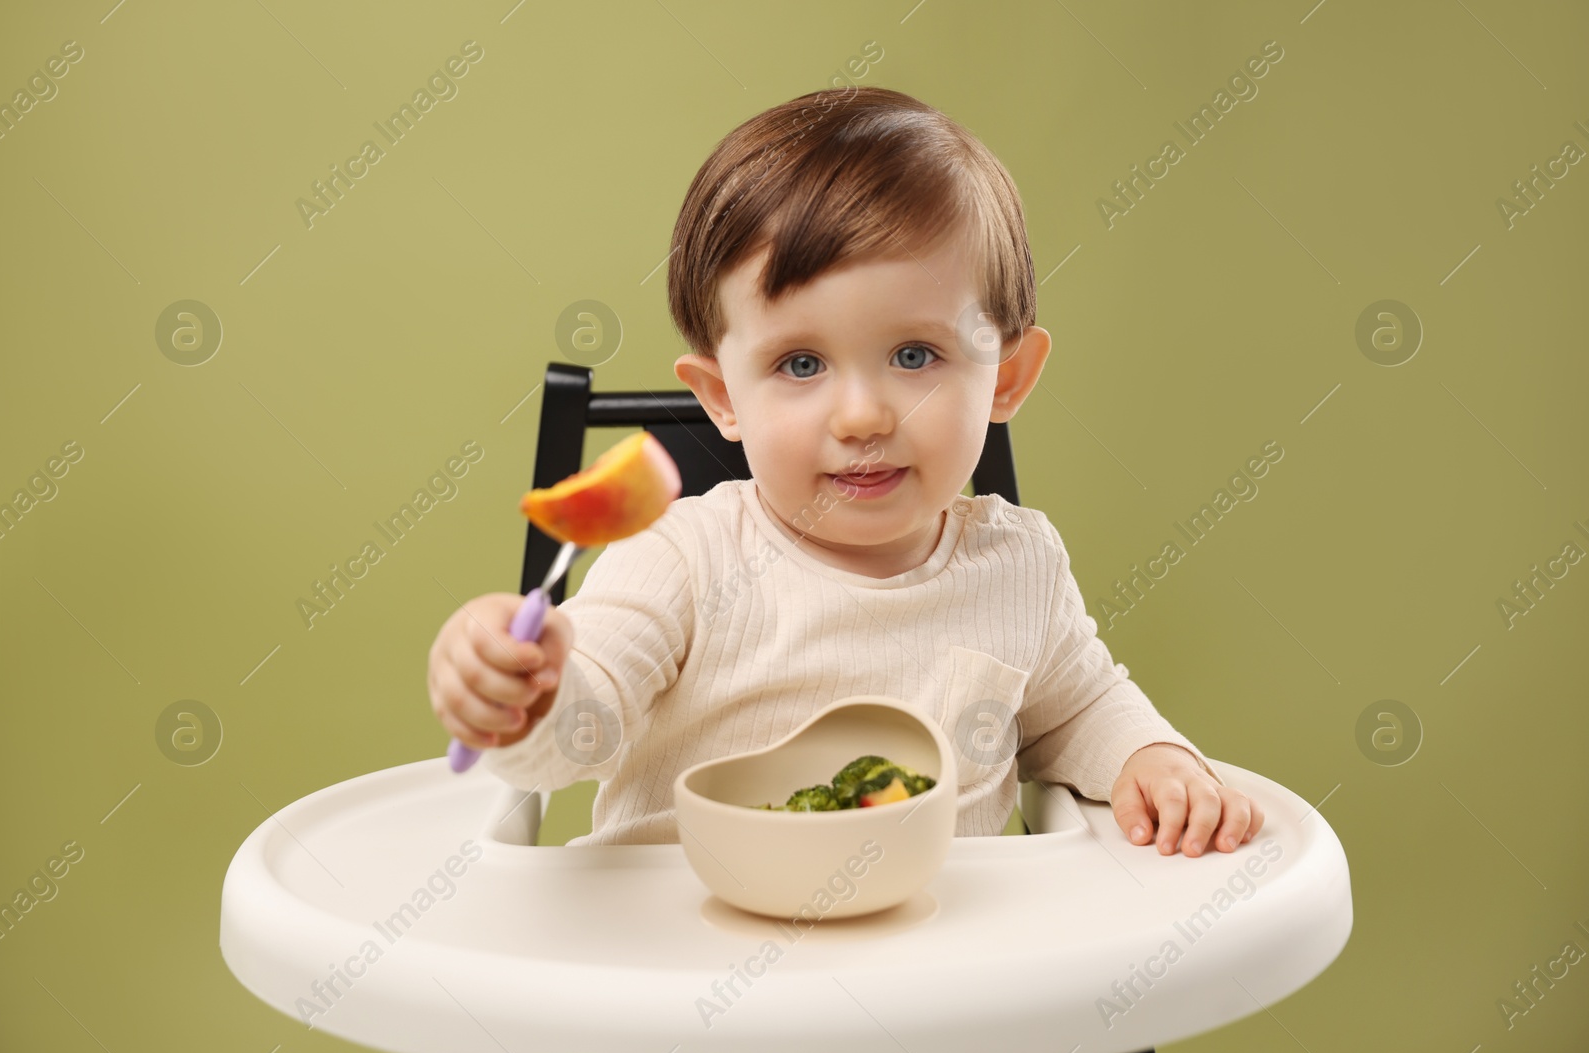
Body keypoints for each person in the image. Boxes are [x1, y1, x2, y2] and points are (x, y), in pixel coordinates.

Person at [427, 85, 1264, 855]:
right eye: (799, 364)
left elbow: (1081, 708)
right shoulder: (681, 558)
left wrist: (1153, 757)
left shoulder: (1021, 569)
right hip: (682, 987)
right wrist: (526, 699)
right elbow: (585, 722)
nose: (863, 415)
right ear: (723, 397)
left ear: (1005, 377)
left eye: (914, 353)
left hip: (928, 980)